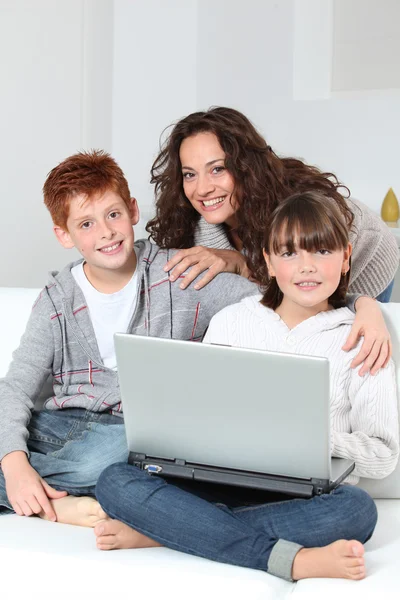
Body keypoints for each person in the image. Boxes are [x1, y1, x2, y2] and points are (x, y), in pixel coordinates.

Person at [94, 191, 399, 582]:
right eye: (289, 254)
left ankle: (170, 531)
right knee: (114, 480)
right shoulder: (232, 320)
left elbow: (383, 454)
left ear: (345, 258)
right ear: (269, 262)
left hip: (304, 497)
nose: (306, 267)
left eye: (321, 252)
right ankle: (287, 558)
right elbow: (198, 413)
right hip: (215, 481)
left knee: (357, 510)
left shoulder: (362, 337)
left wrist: (317, 440)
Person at [0, 150, 258, 526]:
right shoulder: (56, 300)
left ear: (133, 211)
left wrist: (359, 304)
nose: (105, 232)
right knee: (85, 459)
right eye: (85, 224)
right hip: (62, 428)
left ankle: (45, 498)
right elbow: (16, 388)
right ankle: (50, 501)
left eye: (113, 214)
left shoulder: (179, 275)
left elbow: (278, 300)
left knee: (129, 456)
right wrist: (14, 464)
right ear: (64, 234)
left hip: (131, 434)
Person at [147, 106, 398, 374]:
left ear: (245, 167)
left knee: (342, 352)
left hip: (365, 258)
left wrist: (367, 306)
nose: (202, 188)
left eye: (217, 169)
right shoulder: (194, 226)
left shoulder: (296, 210)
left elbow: (305, 291)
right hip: (306, 281)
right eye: (190, 174)